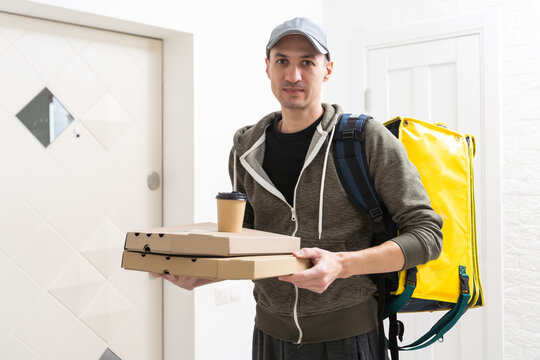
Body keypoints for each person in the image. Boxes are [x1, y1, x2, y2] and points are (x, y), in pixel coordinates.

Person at [157, 17, 443, 360]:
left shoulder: (364, 139)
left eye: (307, 62)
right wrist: (206, 274)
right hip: (269, 337)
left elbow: (428, 236)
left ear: (327, 69)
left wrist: (341, 264)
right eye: (282, 61)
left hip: (348, 338)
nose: (293, 76)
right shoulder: (246, 149)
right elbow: (252, 245)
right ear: (267, 68)